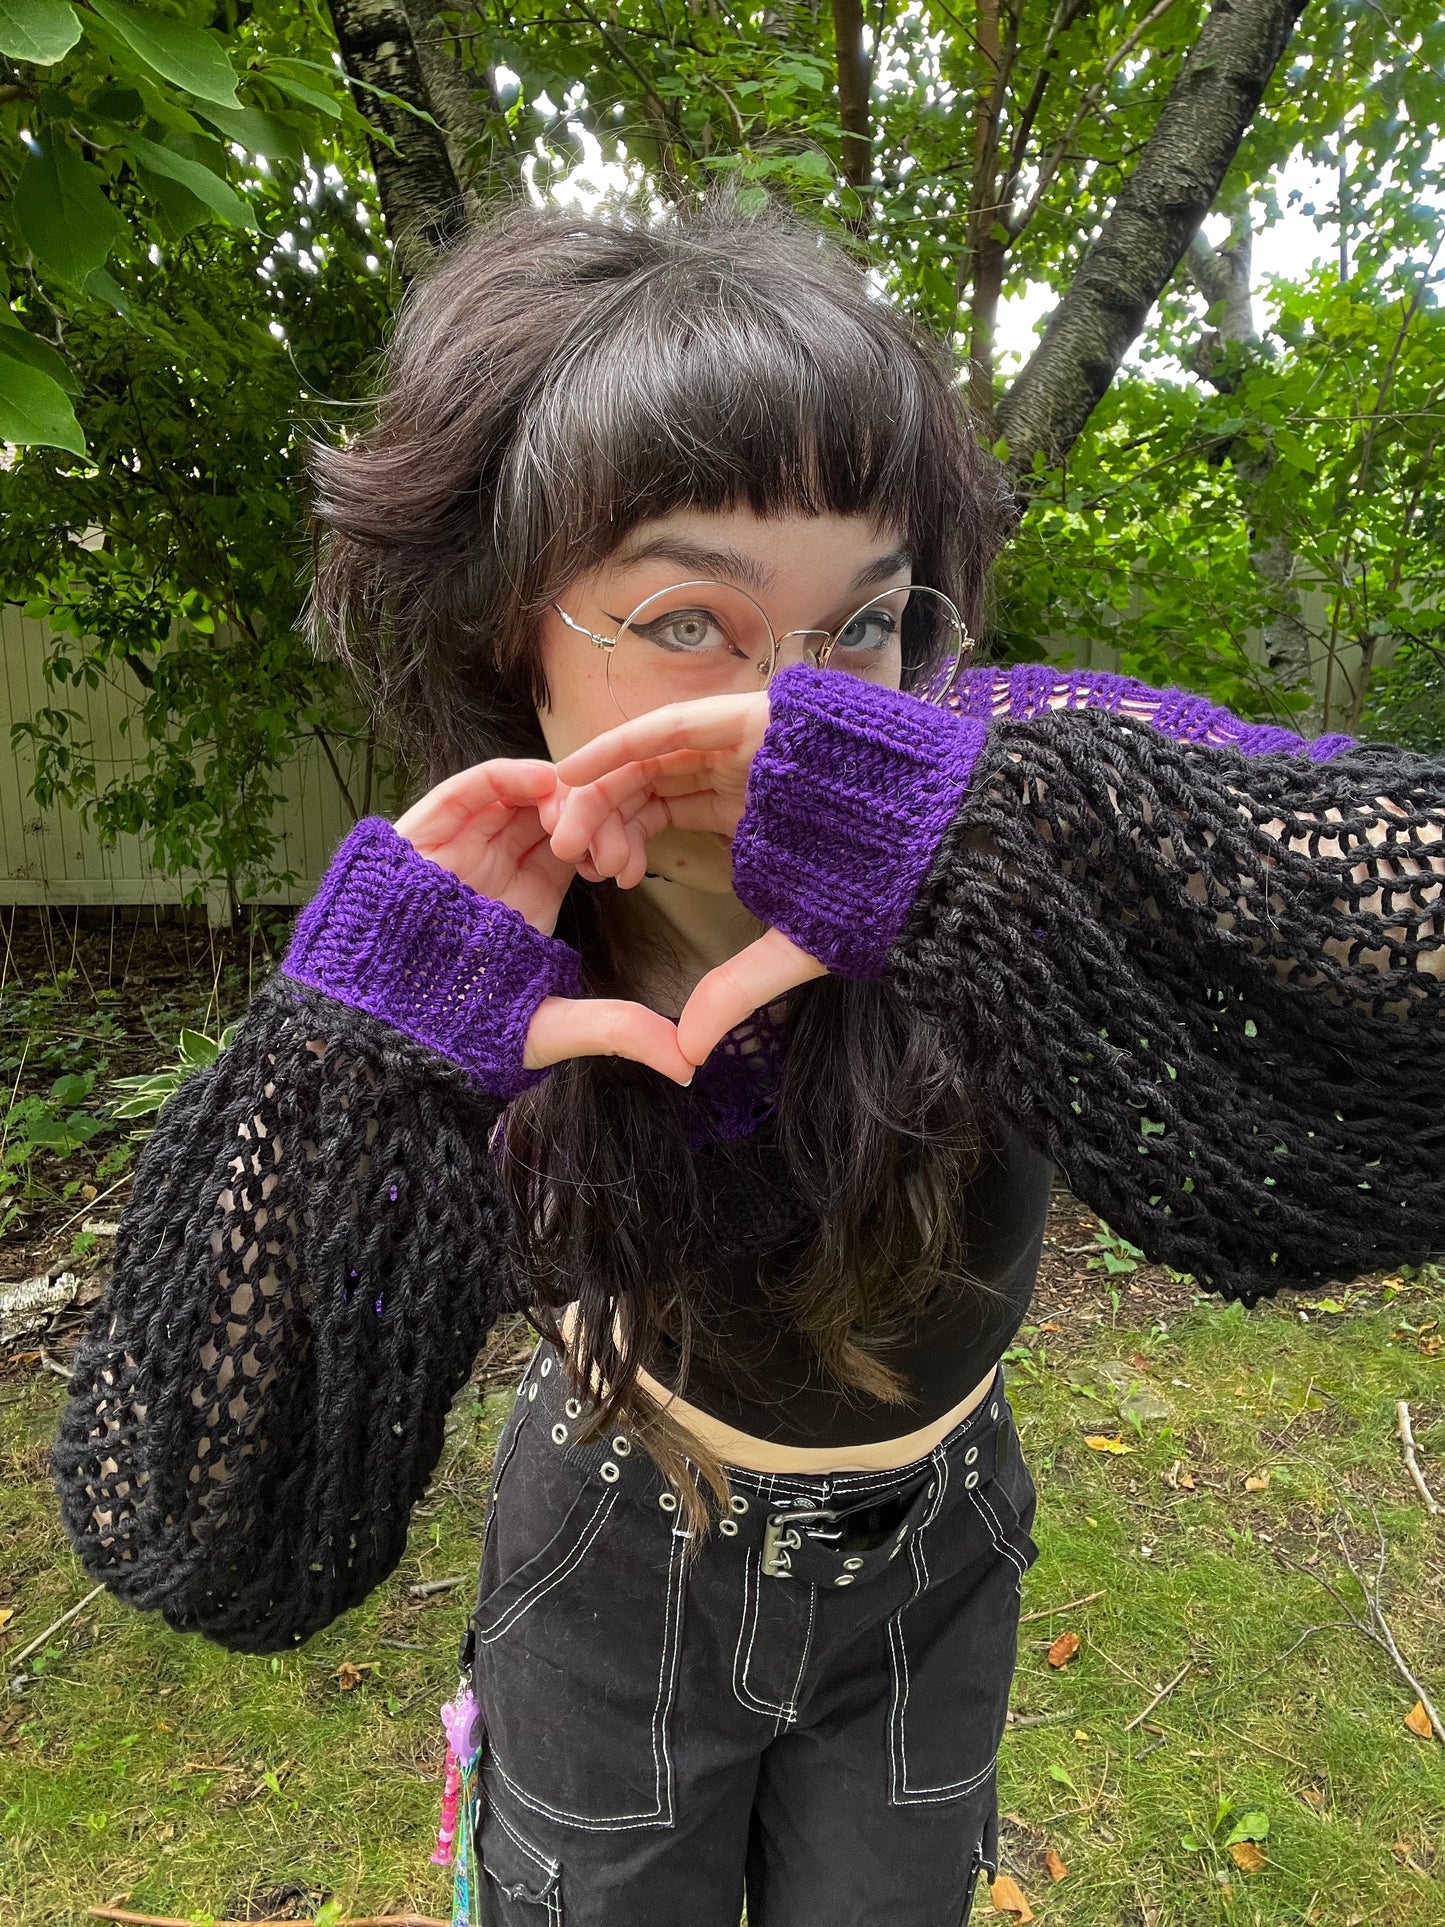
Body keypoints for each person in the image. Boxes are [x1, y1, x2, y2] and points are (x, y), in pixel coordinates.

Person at [51, 190, 1444, 1927]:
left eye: (859, 624)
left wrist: (964, 840)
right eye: (689, 621)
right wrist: (360, 1052)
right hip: (615, 1556)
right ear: (512, 632)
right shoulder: (466, 944)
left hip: (932, 1568)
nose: (788, 705)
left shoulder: (997, 801)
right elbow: (191, 1518)